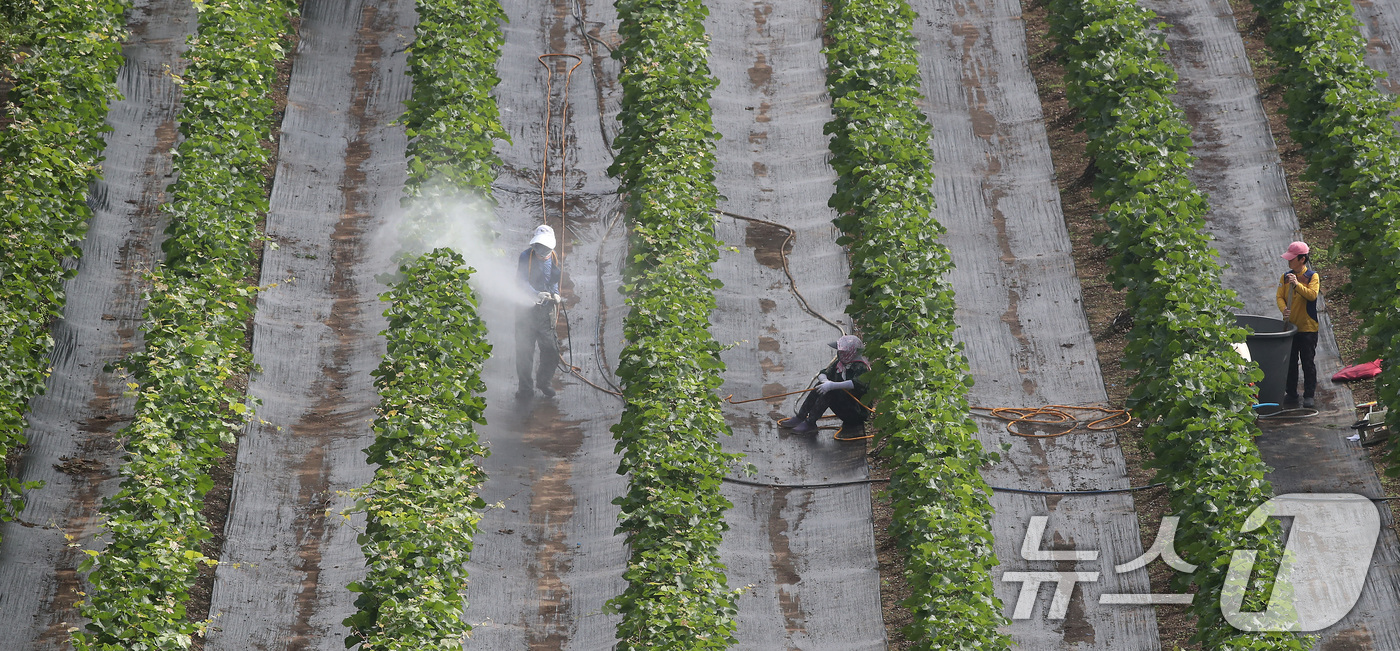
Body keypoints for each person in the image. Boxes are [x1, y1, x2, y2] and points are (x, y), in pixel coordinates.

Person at [778, 334, 872, 438]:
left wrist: (832, 386)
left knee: (831, 393)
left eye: (843, 352)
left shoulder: (861, 367)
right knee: (820, 386)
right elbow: (823, 373)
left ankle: (810, 422)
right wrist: (825, 381)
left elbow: (856, 384)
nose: (840, 354)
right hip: (846, 406)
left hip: (857, 412)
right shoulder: (841, 363)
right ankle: (801, 416)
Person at [517, 225, 562, 399]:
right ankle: (525, 389)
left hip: (545, 313)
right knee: (524, 351)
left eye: (546, 249)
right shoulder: (525, 257)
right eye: (539, 248)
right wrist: (535, 293)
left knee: (550, 349)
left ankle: (544, 382)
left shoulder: (555, 258)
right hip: (525, 312)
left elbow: (553, 279)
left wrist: (555, 294)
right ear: (534, 246)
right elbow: (520, 281)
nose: (542, 253)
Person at [1276, 240, 1320, 408]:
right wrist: (1284, 309)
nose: (1289, 261)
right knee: (1290, 362)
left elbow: (1312, 295)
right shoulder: (1285, 277)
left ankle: (1309, 395)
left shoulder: (1312, 277)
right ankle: (1291, 392)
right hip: (1291, 328)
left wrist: (1297, 284)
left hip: (1308, 328)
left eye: (1292, 258)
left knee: (1307, 362)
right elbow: (1279, 296)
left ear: (1302, 259)